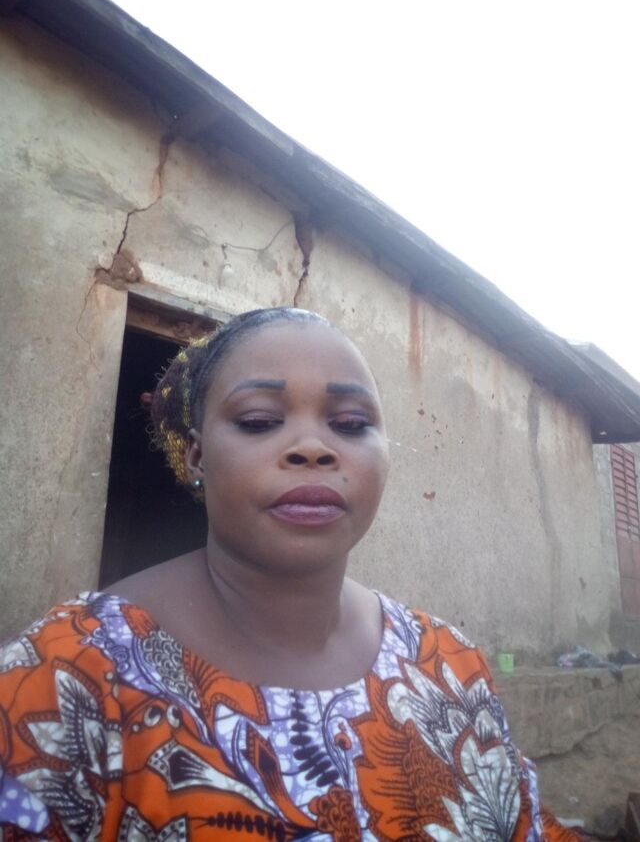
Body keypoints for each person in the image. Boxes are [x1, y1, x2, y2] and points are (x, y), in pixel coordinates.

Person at [0, 308, 580, 841]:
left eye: (350, 423)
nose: (313, 448)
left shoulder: (450, 665)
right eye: (259, 421)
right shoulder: (66, 676)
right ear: (198, 456)